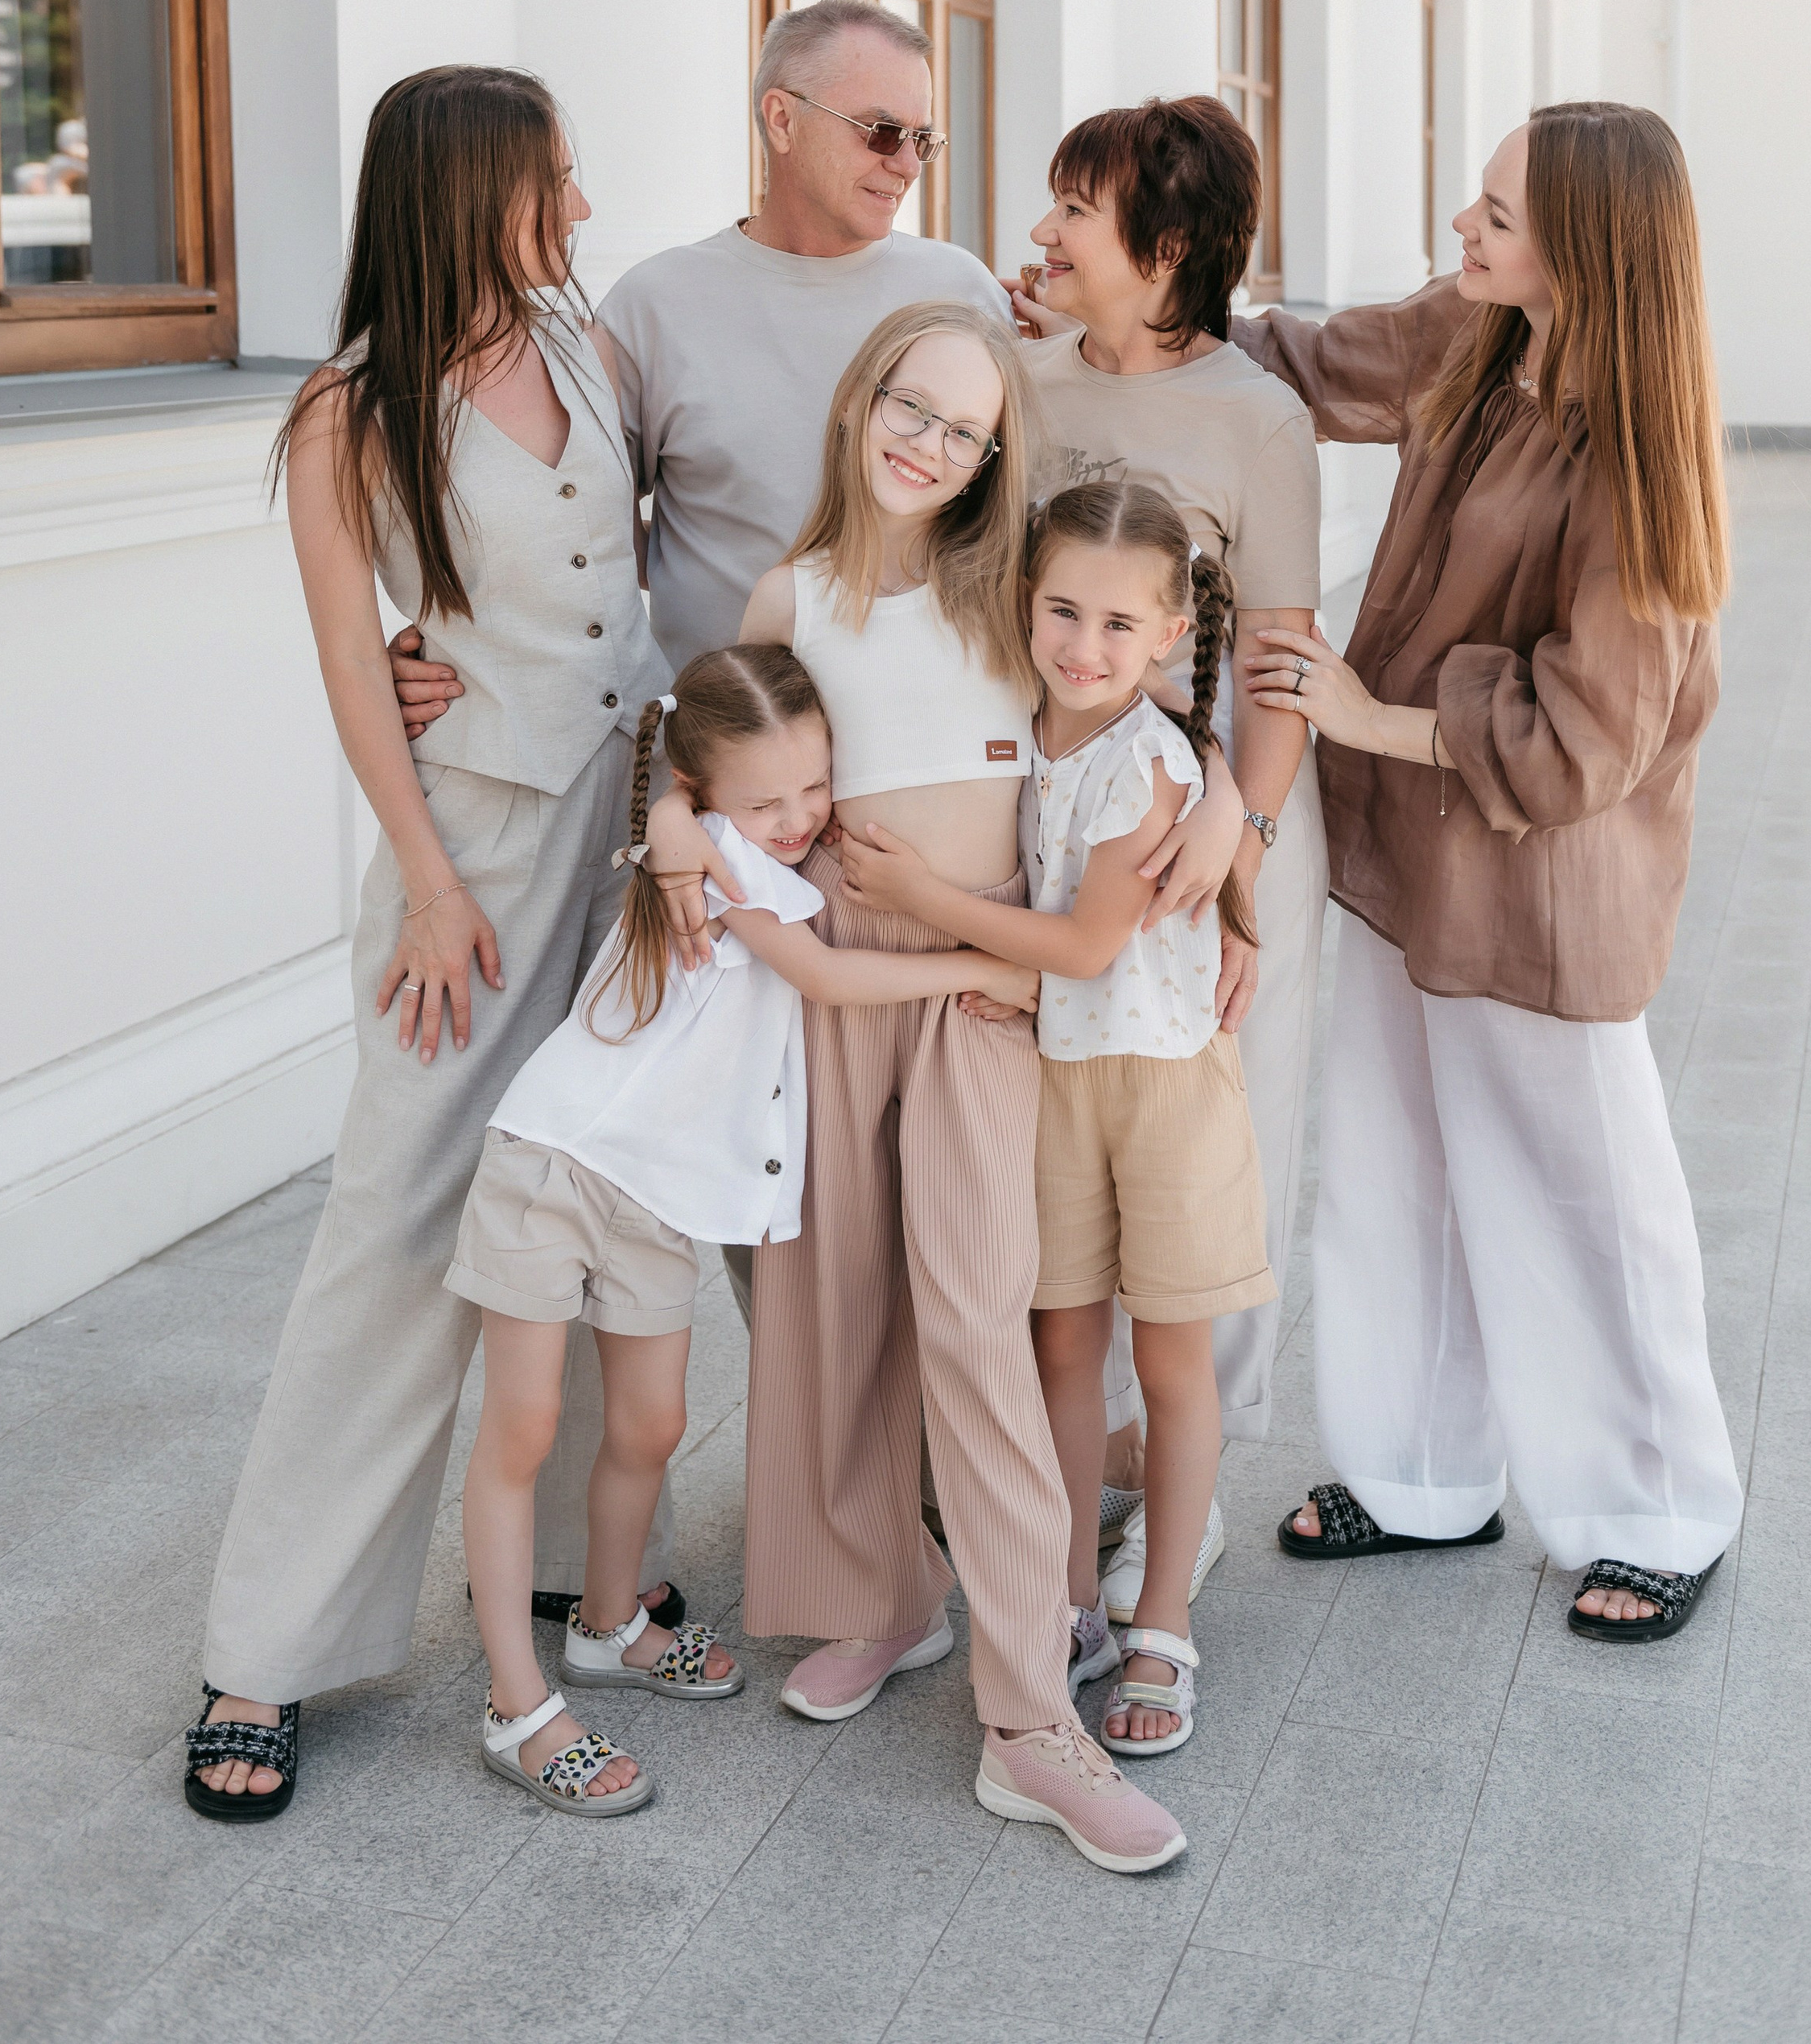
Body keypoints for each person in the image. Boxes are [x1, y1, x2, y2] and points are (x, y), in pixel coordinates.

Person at [390, 1, 1245, 1303]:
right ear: (780, 120)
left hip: (939, 834)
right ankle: (829, 1482)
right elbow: (552, 517)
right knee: (781, 1196)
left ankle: (963, 1487)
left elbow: (1100, 529)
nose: (908, 158)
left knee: (963, 1228)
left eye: (925, 135)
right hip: (755, 818)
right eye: (883, 128)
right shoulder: (654, 306)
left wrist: (1221, 780)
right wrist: (441, 629)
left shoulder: (960, 291)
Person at [646, 302, 1187, 1873]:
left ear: (991, 456)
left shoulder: (1002, 597)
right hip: (834, 976)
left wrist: (1214, 854)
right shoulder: (790, 590)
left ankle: (1031, 1722)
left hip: (979, 985)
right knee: (839, 1297)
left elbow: (1135, 715)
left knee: (970, 1316)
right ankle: (888, 1598)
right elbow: (697, 750)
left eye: (964, 429)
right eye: (911, 405)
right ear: (859, 396)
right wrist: (681, 832)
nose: (928, 444)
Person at [187, 67, 671, 1821]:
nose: (583, 206)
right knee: (394, 1223)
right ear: (472, 192)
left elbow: (625, 569)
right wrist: (430, 880)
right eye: (557, 178)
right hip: (465, 848)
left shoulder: (594, 349)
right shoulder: (343, 411)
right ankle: (267, 1646)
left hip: (629, 826)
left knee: (595, 1191)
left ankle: (565, 1567)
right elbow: (347, 663)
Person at [1237, 101, 1744, 1640]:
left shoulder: (1639, 456)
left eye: (1498, 215)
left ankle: (1657, 1504)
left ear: (1584, 247)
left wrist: (1361, 712)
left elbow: (1589, 737)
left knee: (1584, 1192)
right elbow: (1314, 365)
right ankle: (1411, 1475)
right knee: (1395, 1161)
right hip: (1411, 851)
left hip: (1540, 884)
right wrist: (1126, 301)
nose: (1464, 230)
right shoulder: (1479, 335)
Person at [452, 646, 1038, 1815]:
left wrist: (680, 805)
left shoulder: (731, 836)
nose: (798, 817)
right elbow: (821, 978)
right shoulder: (720, 858)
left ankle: (609, 1623)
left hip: (661, 1198)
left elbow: (721, 819)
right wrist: (997, 962)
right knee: (521, 1431)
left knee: (653, 1423)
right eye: (767, 800)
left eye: (815, 788)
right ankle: (515, 1704)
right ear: (711, 796)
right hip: (558, 1166)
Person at [841, 477, 1271, 1763]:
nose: (1085, 649)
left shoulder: (1149, 765)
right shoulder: (1025, 722)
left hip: (1164, 1084)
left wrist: (928, 899)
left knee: (1172, 1360)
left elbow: (1088, 946)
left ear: (1168, 634)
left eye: (1119, 629)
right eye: (1062, 612)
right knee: (1060, 1347)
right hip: (1054, 1082)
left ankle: (1164, 1616)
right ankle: (1072, 1596)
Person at [1010, 95, 1326, 1614]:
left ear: (1173, 246)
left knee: (1203, 1182)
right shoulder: (1017, 375)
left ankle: (1176, 1514)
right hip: (1045, 832)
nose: (1049, 230)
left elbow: (1279, 654)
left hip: (1204, 834)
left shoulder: (1255, 415)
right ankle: (1065, 1519)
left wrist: (1236, 833)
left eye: (1081, 207)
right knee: (1060, 1212)